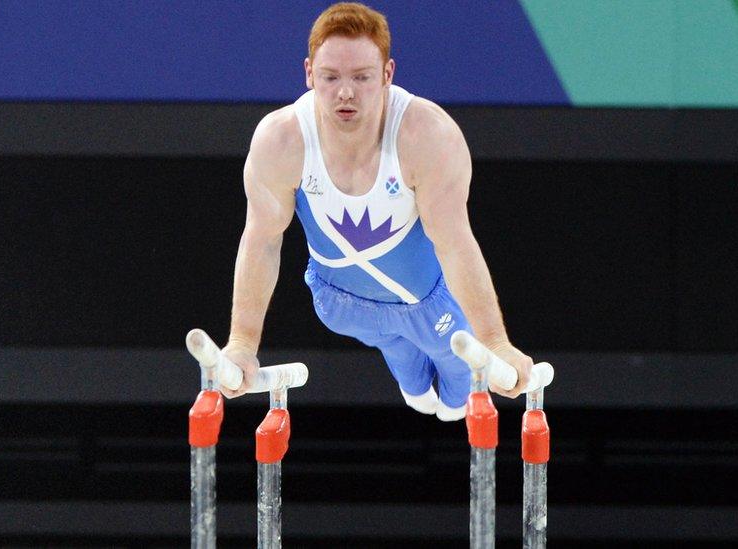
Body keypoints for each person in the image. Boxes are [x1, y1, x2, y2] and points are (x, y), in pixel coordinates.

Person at [219, 2, 533, 421]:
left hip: (427, 306)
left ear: (387, 74)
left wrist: (494, 344)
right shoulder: (282, 140)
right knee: (396, 343)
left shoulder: (425, 134)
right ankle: (408, 364)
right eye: (330, 77)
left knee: (456, 393)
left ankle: (437, 387)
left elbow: (454, 243)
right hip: (339, 303)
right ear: (309, 73)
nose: (345, 92)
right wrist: (242, 344)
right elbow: (261, 241)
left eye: (362, 77)